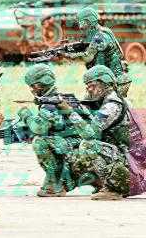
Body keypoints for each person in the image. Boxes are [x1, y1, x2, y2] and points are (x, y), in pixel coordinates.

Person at [65, 65, 146, 200]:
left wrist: (70, 113)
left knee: (87, 146)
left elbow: (90, 133)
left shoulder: (112, 105)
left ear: (104, 83)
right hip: (129, 168)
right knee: (75, 156)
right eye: (87, 87)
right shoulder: (114, 101)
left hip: (127, 170)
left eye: (92, 86)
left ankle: (112, 188)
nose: (89, 90)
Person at [20, 63, 91, 197]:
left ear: (43, 83)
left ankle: (54, 184)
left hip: (76, 151)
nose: (31, 89)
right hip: (84, 148)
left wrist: (26, 115)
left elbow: (39, 128)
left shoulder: (50, 104)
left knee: (39, 142)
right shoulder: (66, 97)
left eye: (33, 85)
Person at [58, 7, 131, 97]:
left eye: (82, 21)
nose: (80, 24)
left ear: (88, 21)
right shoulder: (101, 31)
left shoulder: (100, 36)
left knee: (99, 103)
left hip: (115, 82)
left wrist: (68, 56)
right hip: (106, 79)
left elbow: (88, 57)